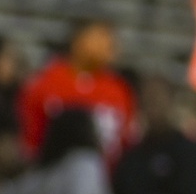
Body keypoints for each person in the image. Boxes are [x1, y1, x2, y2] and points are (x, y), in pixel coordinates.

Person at [17, 21, 137, 163]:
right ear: (78, 39)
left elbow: (128, 142)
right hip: (52, 173)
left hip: (106, 178)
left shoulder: (119, 89)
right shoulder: (44, 82)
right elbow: (28, 140)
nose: (109, 43)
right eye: (101, 35)